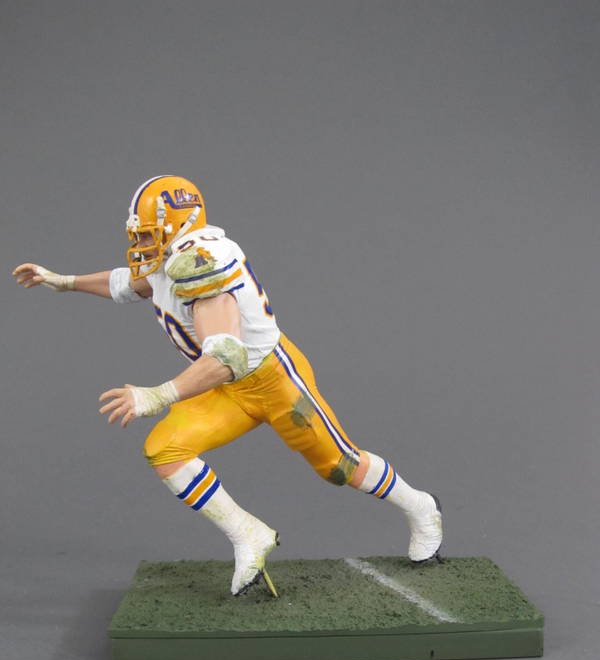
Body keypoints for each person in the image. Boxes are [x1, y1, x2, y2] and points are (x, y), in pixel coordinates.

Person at [12, 174, 443, 598]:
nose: (141, 244)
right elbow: (130, 284)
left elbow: (225, 359)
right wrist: (64, 281)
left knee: (339, 467)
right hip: (225, 389)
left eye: (148, 235)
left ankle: (420, 506)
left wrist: (157, 395)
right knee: (166, 449)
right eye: (138, 235)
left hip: (272, 380)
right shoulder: (170, 258)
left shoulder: (201, 265)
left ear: (179, 225)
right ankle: (248, 534)